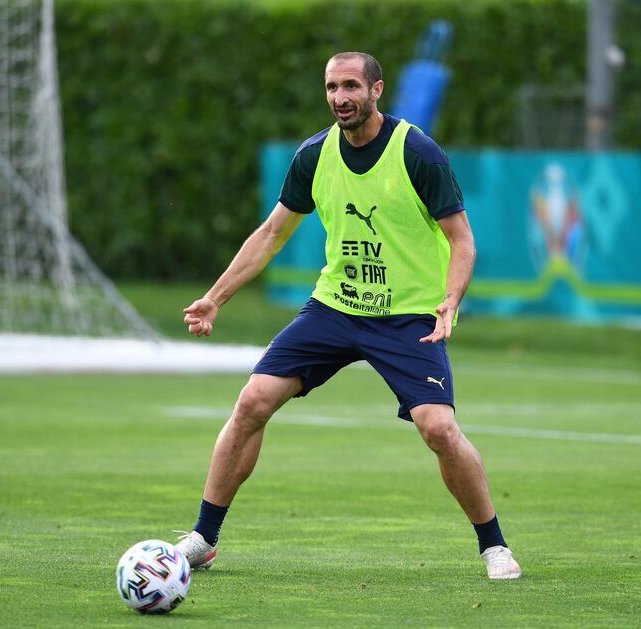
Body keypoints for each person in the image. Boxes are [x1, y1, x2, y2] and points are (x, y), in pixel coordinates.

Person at [176, 52, 521, 580]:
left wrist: (450, 299)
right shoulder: (314, 155)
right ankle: (203, 537)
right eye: (332, 87)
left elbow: (462, 241)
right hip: (335, 309)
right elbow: (271, 234)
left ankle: (493, 545)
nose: (341, 97)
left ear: (376, 90)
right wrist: (216, 298)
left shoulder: (418, 152)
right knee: (252, 401)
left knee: (439, 429)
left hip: (407, 316)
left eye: (352, 86)